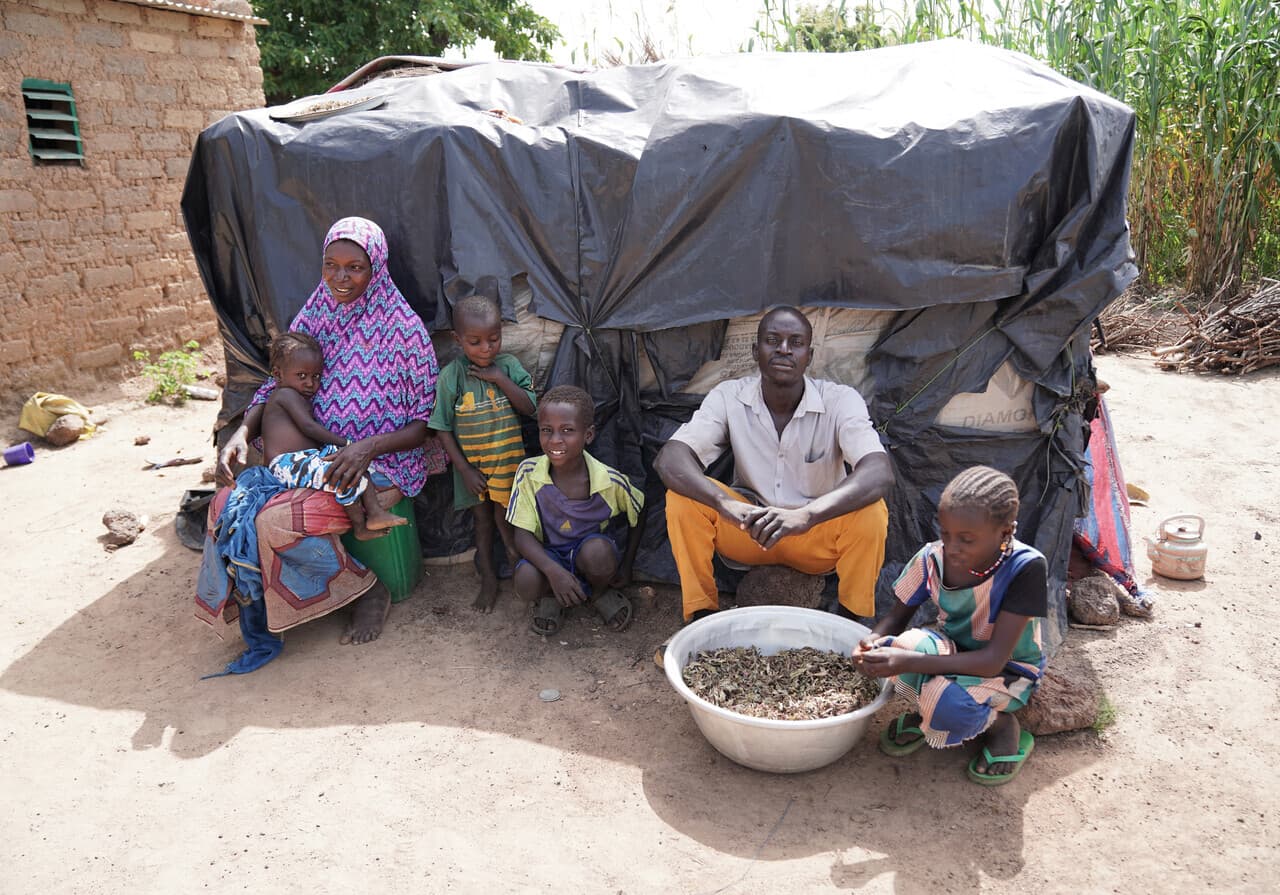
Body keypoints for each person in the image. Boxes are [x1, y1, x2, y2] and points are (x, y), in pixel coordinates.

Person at [198, 216, 446, 670]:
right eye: (331, 265)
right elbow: (277, 385)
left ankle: (367, 589)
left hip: (382, 460)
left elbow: (425, 425)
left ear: (377, 269)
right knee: (227, 509)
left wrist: (365, 447)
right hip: (310, 458)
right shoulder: (316, 313)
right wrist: (241, 431)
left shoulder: (404, 331)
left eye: (355, 267)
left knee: (276, 520)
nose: (340, 278)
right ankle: (272, 607)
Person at [654, 305, 894, 625]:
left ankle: (852, 625)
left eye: (795, 342)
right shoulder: (729, 396)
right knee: (682, 499)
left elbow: (879, 471)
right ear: (756, 351)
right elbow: (670, 459)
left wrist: (807, 515)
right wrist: (726, 505)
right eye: (772, 340)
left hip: (814, 534)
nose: (783, 349)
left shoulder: (840, 400)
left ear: (809, 355)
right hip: (750, 529)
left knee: (871, 511)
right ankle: (701, 616)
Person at [854, 465, 1047, 786]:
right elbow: (894, 619)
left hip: (1005, 672)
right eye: (945, 533)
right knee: (897, 646)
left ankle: (1001, 726)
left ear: (1005, 532)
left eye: (967, 539)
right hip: (951, 651)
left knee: (947, 700)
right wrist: (870, 643)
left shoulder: (1025, 569)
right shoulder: (933, 558)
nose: (952, 547)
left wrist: (908, 662)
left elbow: (992, 661)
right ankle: (928, 714)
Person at [507, 385, 645, 636]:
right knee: (526, 580)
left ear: (588, 434)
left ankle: (599, 592)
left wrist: (626, 566)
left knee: (598, 553)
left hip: (588, 556)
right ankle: (551, 596)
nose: (555, 440)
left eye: (567, 431)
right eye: (547, 430)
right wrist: (553, 571)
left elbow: (639, 511)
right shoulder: (528, 473)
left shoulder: (608, 481)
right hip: (549, 556)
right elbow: (521, 535)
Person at [428, 294, 537, 613]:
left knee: (511, 517)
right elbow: (441, 427)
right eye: (475, 342)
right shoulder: (453, 376)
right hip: (472, 471)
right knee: (482, 521)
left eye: (493, 339)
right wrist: (463, 470)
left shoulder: (509, 366)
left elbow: (530, 408)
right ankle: (488, 577)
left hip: (509, 466)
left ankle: (521, 569)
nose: (486, 349)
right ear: (457, 339)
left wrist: (500, 379)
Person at [261, 331, 408, 540]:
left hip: (307, 458)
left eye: (316, 376)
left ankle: (375, 513)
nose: (310, 383)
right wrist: (347, 443)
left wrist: (348, 451)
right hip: (286, 465)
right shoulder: (285, 395)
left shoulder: (297, 395)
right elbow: (309, 427)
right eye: (301, 376)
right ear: (278, 374)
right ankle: (359, 527)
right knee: (339, 474)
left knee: (352, 464)